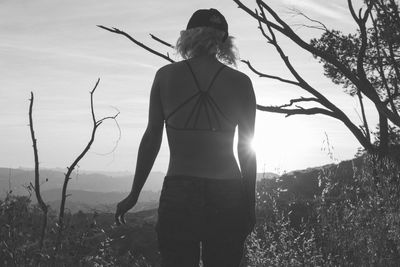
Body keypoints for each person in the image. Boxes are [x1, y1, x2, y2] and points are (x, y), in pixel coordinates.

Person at [115, 8, 257, 267]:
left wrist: (134, 194)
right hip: (227, 191)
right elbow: (247, 149)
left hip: (180, 189)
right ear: (225, 41)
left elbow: (152, 138)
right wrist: (250, 205)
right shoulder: (241, 82)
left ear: (188, 36)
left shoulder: (165, 76)